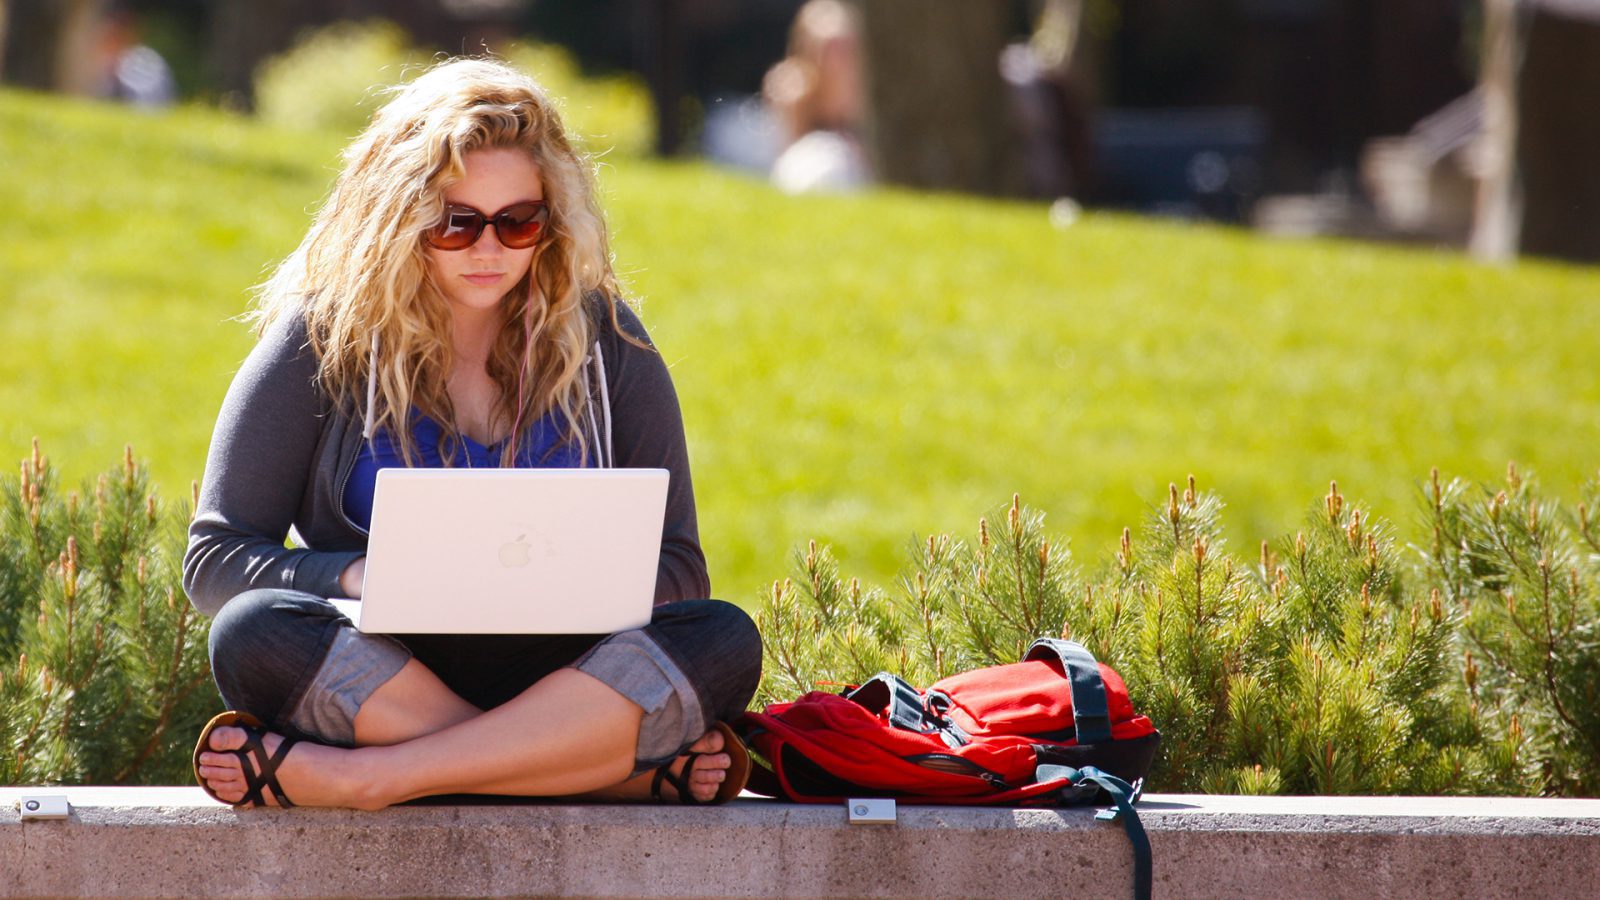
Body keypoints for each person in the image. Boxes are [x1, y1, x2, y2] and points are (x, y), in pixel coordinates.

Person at [185, 57, 762, 810]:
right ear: (397, 217)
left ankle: (380, 779)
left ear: (552, 222)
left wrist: (575, 589)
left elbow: (682, 567)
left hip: (565, 666)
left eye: (519, 221)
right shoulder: (321, 339)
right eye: (457, 223)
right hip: (394, 668)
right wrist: (359, 578)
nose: (490, 249)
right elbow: (216, 561)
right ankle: (594, 770)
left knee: (721, 638)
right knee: (253, 632)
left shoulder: (606, 339)